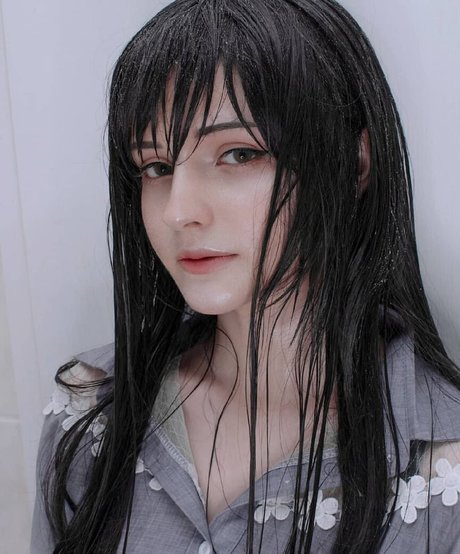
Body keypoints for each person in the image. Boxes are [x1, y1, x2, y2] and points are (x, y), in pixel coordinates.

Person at [31, 0, 460, 552]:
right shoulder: (89, 412)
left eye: (238, 154)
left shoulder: (443, 467)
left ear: (355, 163)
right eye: (156, 167)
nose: (178, 211)